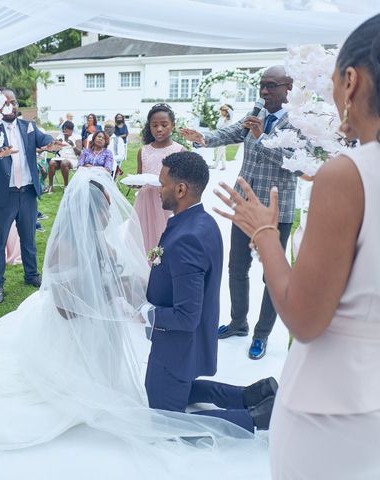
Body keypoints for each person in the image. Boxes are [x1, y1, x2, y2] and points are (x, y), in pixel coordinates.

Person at [0, 168, 263, 472]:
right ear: (89, 212)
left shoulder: (97, 238)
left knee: (162, 398)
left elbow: (113, 275)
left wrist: (127, 289)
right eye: (105, 210)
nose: (110, 217)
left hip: (105, 329)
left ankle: (250, 398)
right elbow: (66, 307)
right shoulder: (66, 246)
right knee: (155, 410)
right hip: (73, 330)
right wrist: (107, 297)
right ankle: (252, 410)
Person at [214, 14, 380, 478]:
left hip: (338, 408)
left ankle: (259, 333)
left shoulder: (350, 175)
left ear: (351, 81)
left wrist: (264, 233)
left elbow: (306, 319)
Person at [144, 151, 277, 433]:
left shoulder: (186, 238)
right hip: (189, 346)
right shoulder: (202, 222)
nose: (159, 190)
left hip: (176, 348)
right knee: (182, 390)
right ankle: (250, 395)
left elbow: (186, 316)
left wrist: (146, 313)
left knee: (165, 419)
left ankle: (256, 419)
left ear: (181, 189)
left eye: (162, 183)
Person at [180, 66, 299, 360]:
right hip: (244, 204)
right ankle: (238, 322)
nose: (264, 91)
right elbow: (233, 131)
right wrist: (204, 138)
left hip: (275, 210)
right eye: (262, 85)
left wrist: (261, 138)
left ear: (289, 88)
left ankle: (261, 335)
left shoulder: (300, 122)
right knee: (236, 268)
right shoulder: (256, 111)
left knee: (271, 275)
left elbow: (295, 162)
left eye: (271, 86)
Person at [0, 88, 63, 305]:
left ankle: (31, 275)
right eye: (4, 102)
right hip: (2, 196)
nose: (9, 105)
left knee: (29, 237)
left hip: (27, 193)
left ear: (16, 104)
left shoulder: (29, 127)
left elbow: (44, 140)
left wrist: (51, 145)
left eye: (12, 101)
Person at [134, 104, 185, 254]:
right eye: (154, 125)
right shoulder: (143, 151)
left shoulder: (179, 151)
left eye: (164, 125)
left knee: (166, 240)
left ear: (173, 125)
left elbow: (183, 183)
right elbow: (140, 177)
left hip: (168, 204)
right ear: (149, 126)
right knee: (144, 239)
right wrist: (135, 184)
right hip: (145, 202)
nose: (159, 129)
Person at [47, 120, 81, 193]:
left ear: (71, 130)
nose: (65, 130)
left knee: (64, 163)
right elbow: (53, 149)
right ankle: (50, 186)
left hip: (72, 159)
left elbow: (79, 152)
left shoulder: (77, 137)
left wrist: (73, 145)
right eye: (64, 129)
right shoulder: (60, 136)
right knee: (51, 162)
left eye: (67, 129)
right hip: (59, 158)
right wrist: (55, 144)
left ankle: (66, 186)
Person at [210, 105, 233, 170]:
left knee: (219, 151)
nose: (221, 112)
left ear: (226, 111)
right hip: (220, 135)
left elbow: (219, 126)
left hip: (224, 137)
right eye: (221, 111)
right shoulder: (221, 118)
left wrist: (227, 108)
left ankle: (215, 165)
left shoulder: (228, 119)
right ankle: (223, 166)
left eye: (222, 111)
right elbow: (218, 126)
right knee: (222, 151)